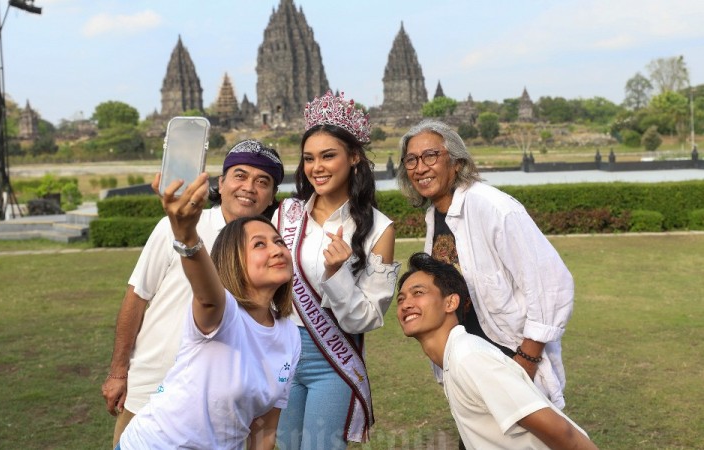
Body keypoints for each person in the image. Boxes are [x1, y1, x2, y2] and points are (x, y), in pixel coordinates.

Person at [101, 139, 285, 447]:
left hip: (218, 402)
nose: (249, 187)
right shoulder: (175, 226)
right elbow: (137, 297)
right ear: (221, 183)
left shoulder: (270, 251)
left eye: (262, 181)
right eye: (240, 175)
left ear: (271, 197)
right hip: (152, 385)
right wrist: (118, 371)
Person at [398, 119, 575, 409]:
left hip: (509, 360)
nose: (420, 167)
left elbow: (552, 282)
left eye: (431, 156)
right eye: (411, 160)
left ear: (456, 162)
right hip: (469, 364)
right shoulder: (436, 216)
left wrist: (526, 362)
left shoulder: (493, 207)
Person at [274, 91, 400, 449]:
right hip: (280, 352)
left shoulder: (379, 229)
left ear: (354, 157)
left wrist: (336, 275)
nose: (317, 167)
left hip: (332, 360)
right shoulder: (286, 215)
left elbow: (368, 318)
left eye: (329, 156)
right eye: (309, 158)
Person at [396, 253, 598, 449]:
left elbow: (563, 432)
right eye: (401, 299)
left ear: (450, 303)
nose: (406, 304)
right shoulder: (453, 359)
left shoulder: (469, 357)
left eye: (418, 293)